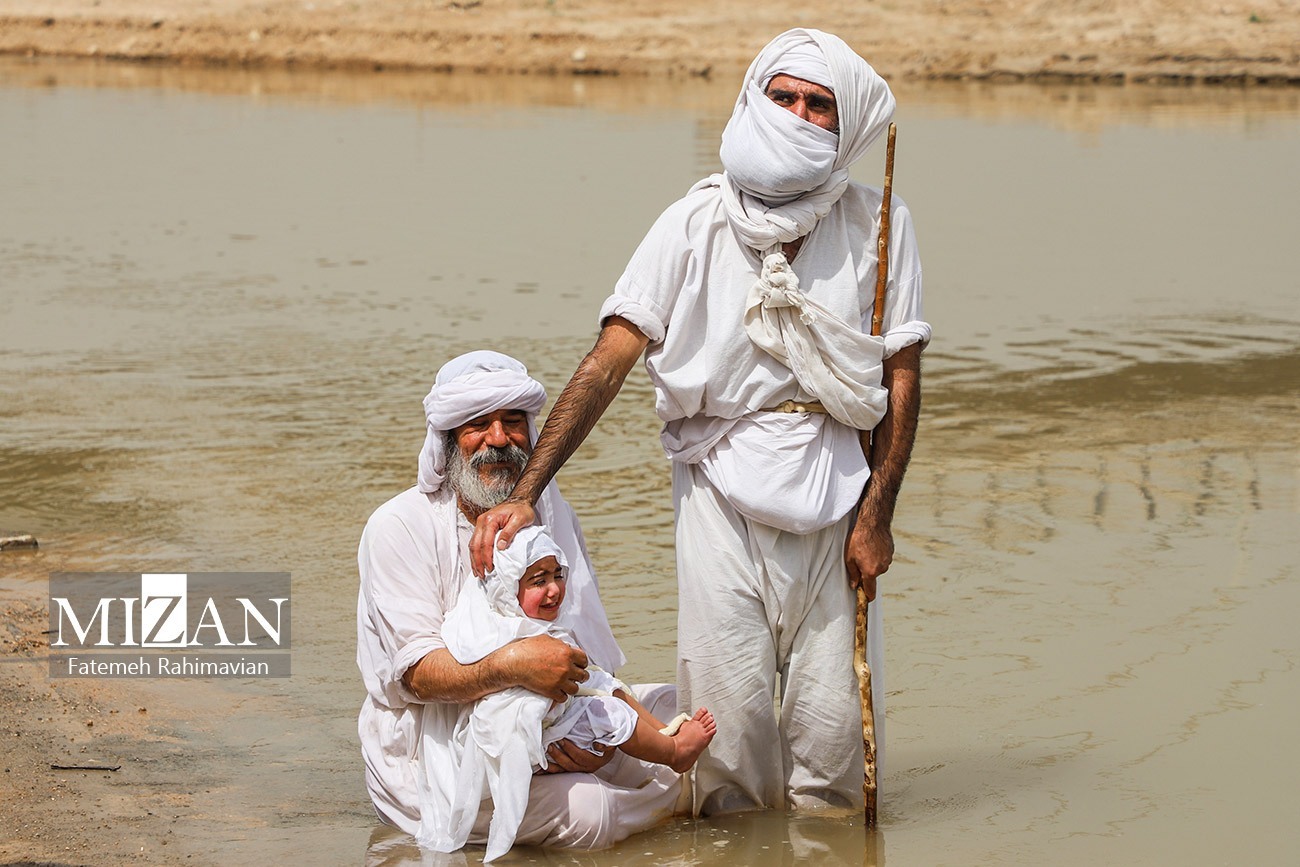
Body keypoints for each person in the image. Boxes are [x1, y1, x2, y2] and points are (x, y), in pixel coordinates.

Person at [470, 28, 931, 816]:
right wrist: (528, 491)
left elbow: (901, 374)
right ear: (752, 100)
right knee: (726, 743)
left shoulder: (878, 224)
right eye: (782, 96)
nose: (796, 114)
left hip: (839, 491)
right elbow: (610, 360)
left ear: (846, 124)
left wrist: (877, 516)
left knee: (835, 748)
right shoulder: (692, 223)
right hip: (718, 486)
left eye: (818, 105)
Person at [356, 350, 687, 852]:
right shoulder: (399, 526)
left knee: (686, 711)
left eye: (513, 422)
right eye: (477, 425)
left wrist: (591, 739)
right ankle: (650, 806)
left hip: (552, 715)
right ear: (447, 441)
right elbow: (418, 675)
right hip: (434, 746)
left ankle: (649, 798)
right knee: (591, 811)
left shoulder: (552, 514)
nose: (498, 439)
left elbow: (583, 651)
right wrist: (514, 665)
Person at [437, 524, 716, 861]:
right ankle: (673, 753)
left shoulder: (534, 624)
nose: (554, 589)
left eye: (558, 575)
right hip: (531, 737)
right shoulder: (505, 632)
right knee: (607, 713)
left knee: (608, 686)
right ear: (508, 589)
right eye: (538, 581)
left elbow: (591, 680)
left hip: (550, 722)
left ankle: (665, 733)